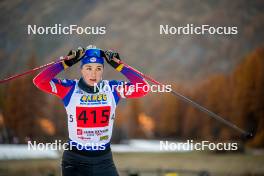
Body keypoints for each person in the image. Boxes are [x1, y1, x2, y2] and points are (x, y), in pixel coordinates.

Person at [33, 46, 149, 176]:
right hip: (75, 160)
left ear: (102, 71)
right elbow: (39, 81)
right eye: (88, 68)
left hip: (103, 160)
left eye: (98, 68)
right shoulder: (69, 88)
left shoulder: (112, 89)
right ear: (81, 70)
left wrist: (119, 66)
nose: (93, 74)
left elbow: (143, 88)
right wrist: (65, 63)